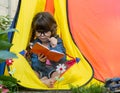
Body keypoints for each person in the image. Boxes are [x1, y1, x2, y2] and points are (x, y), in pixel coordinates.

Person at [26, 12, 66, 88]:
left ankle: (43, 82)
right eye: (39, 32)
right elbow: (35, 66)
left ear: (52, 29)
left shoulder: (58, 41)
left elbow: (63, 60)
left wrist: (55, 46)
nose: (42, 35)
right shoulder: (35, 44)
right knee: (32, 74)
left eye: (45, 32)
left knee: (58, 74)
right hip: (39, 70)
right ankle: (44, 81)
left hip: (53, 70)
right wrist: (40, 62)